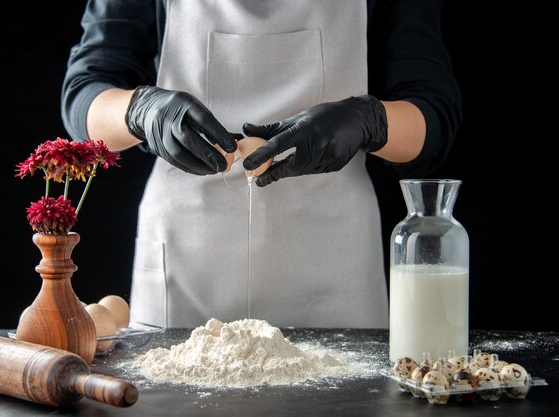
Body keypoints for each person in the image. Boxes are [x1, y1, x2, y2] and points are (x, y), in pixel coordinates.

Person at [62, 0, 461, 328]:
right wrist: (141, 112)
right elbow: (85, 96)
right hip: (187, 261)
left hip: (332, 262)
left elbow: (434, 117)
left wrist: (368, 121)